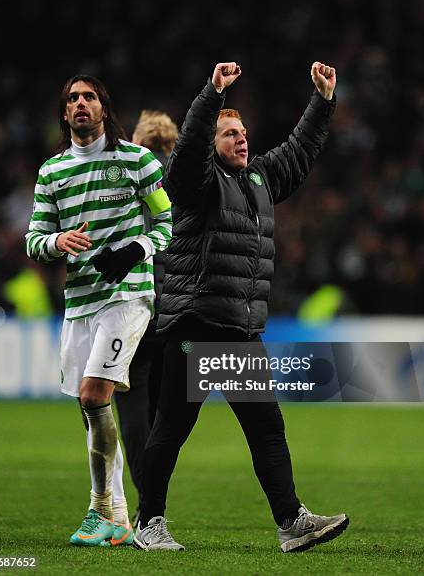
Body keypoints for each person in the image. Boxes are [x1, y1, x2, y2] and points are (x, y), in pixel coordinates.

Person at [134, 61, 349, 553]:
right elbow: (187, 147)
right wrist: (212, 94)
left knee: (264, 427)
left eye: (243, 132)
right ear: (212, 143)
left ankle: (291, 522)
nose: (241, 139)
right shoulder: (196, 183)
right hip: (197, 324)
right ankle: (150, 522)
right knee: (174, 426)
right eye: (229, 133)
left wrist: (322, 99)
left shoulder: (257, 181)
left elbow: (299, 151)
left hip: (236, 328)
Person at [25, 75, 172, 546]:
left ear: (104, 108)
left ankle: (99, 509)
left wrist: (135, 249)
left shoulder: (136, 160)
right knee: (93, 411)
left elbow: (168, 221)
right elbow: (34, 240)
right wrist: (57, 241)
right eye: (72, 99)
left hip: (127, 296)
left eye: (89, 97)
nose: (81, 104)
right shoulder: (52, 173)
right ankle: (119, 518)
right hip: (80, 302)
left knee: (94, 395)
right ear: (65, 113)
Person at [114, 110, 178, 528]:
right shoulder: (185, 184)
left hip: (132, 305)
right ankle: (153, 500)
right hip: (172, 312)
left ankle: (147, 503)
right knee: (160, 415)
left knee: (132, 409)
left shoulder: (123, 179)